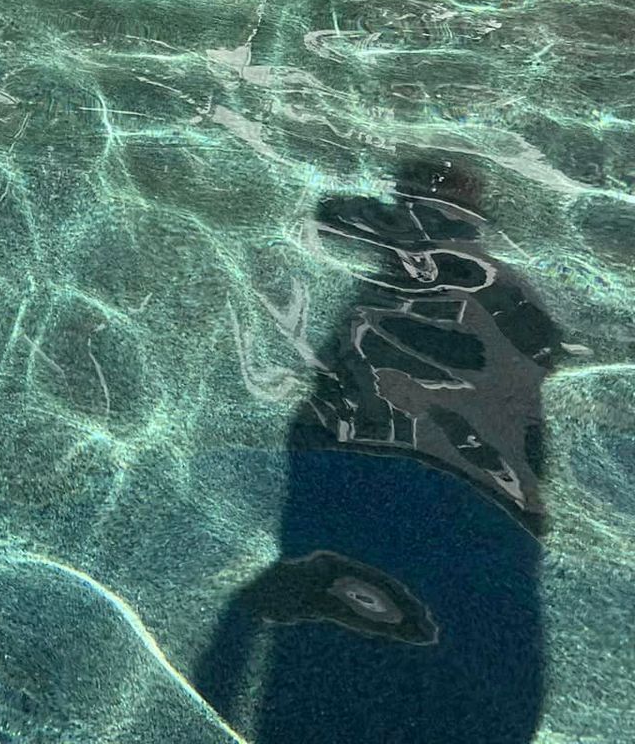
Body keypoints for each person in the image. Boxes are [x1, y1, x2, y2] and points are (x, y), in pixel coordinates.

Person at [195, 156, 561, 743]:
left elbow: (328, 214)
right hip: (481, 510)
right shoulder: (517, 296)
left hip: (373, 489)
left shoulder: (402, 285)